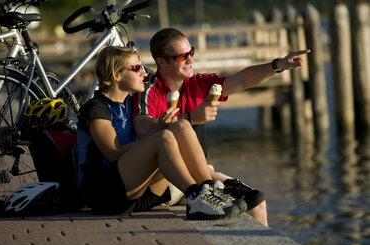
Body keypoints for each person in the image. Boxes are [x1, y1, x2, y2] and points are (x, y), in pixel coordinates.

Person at [132, 28, 310, 226]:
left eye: (191, 52)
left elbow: (242, 79)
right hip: (165, 180)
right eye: (183, 57)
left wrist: (278, 65)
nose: (191, 60)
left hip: (197, 174)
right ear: (162, 62)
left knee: (256, 203)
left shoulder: (197, 84)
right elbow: (141, 127)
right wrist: (190, 117)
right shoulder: (149, 89)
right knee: (232, 203)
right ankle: (207, 189)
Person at [76, 46, 246, 220]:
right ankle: (195, 196)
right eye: (136, 68)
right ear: (116, 75)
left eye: (142, 67)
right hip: (104, 195)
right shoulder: (96, 108)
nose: (143, 73)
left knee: (181, 126)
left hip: (138, 193)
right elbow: (112, 153)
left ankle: (209, 188)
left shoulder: (131, 104)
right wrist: (157, 135)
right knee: (164, 136)